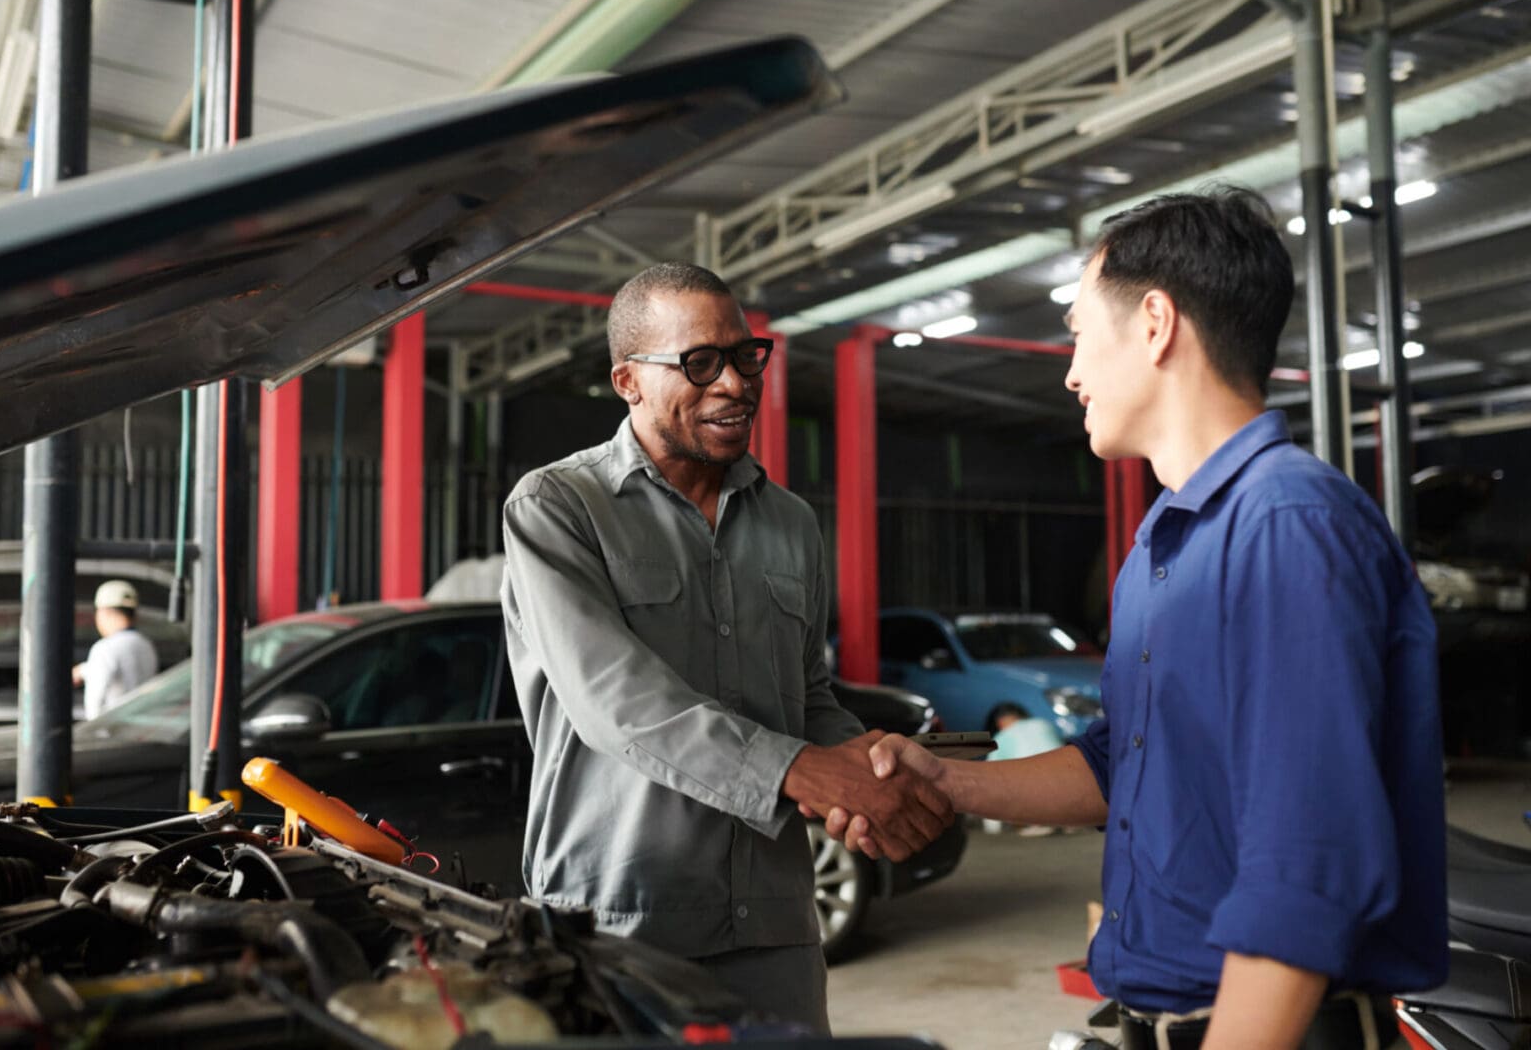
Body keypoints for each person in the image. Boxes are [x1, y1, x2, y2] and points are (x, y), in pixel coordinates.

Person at [829, 188, 1447, 1049]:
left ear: (1155, 323)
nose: (1072, 370)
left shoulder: (1284, 527)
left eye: (1081, 333)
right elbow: (1127, 764)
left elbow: (1309, 869)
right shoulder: (1167, 540)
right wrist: (946, 780)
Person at [499, 261, 951, 1033]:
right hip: (618, 919)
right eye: (700, 363)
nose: (736, 384)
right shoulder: (559, 508)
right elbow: (616, 702)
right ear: (628, 380)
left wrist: (873, 776)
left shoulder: (790, 524)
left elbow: (806, 696)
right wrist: (811, 773)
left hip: (774, 926)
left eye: (746, 357)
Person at [73, 579, 159, 719]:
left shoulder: (104, 648)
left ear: (105, 612)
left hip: (112, 731)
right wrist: (84, 670)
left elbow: (95, 705)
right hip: (141, 729)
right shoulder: (146, 645)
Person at [981, 703, 1064, 836]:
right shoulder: (1043, 724)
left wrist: (991, 825)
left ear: (1000, 722)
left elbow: (987, 779)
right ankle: (1064, 819)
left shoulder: (1001, 737)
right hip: (1069, 784)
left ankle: (1035, 822)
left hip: (1036, 794)